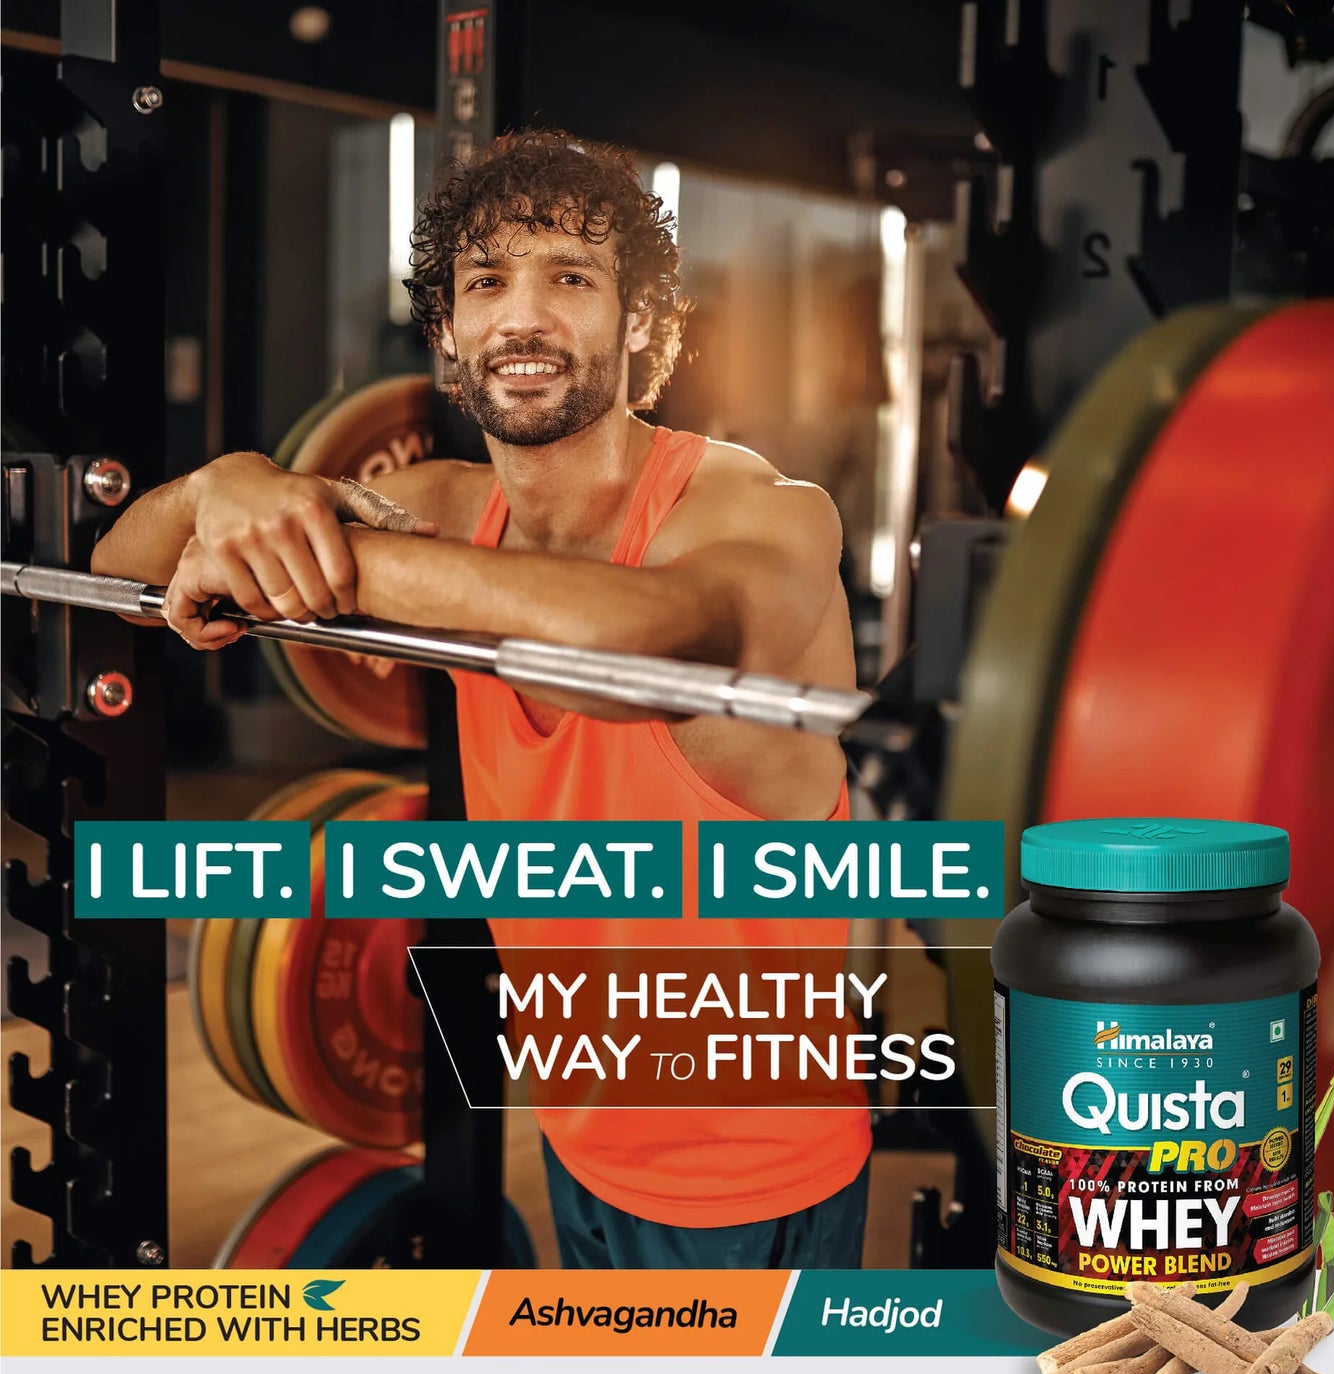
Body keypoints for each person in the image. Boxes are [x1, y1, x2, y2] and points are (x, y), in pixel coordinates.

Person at [92, 128, 871, 1268]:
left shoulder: (760, 508)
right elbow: (122, 580)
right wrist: (232, 487)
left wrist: (300, 550)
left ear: (641, 323)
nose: (523, 317)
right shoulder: (451, 509)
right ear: (450, 335)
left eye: (570, 278)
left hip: (740, 1170)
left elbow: (641, 634)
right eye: (487, 283)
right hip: (578, 1130)